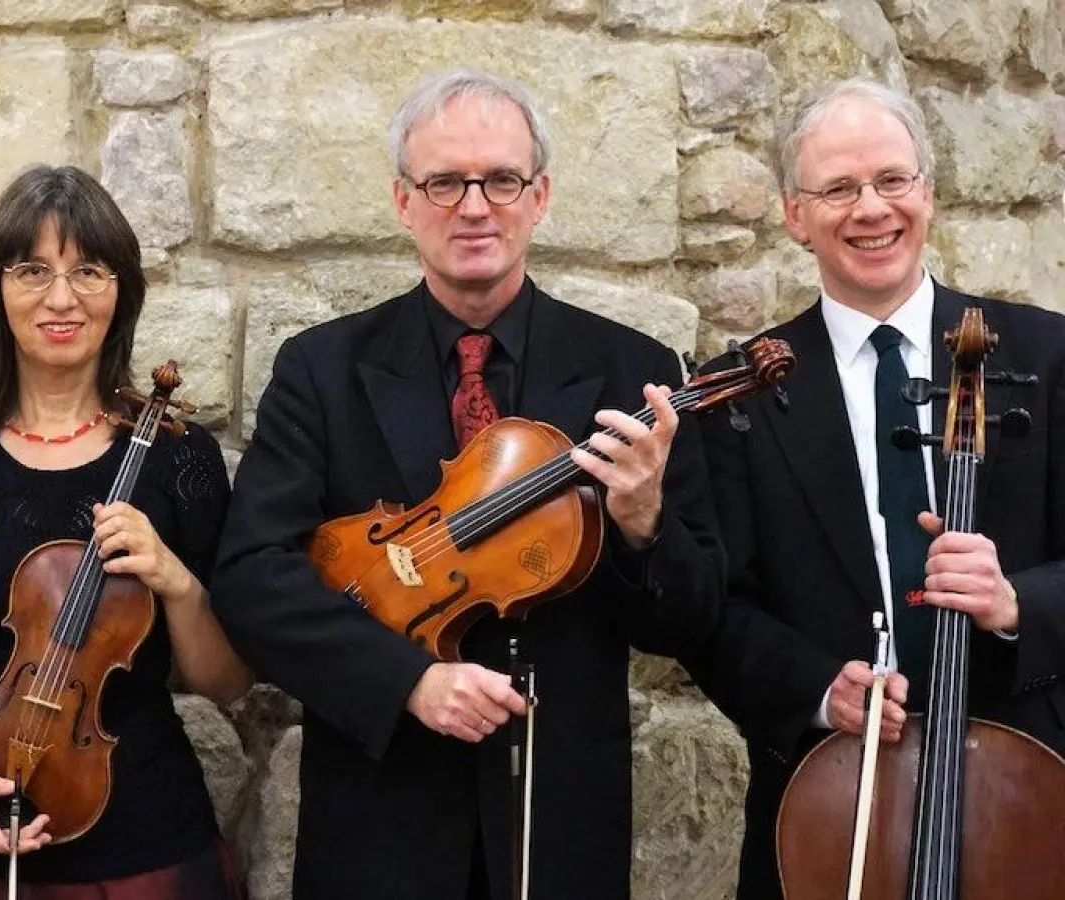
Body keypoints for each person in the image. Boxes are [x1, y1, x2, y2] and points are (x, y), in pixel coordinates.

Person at [208, 68, 726, 900]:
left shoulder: (633, 373)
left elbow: (692, 619)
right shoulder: (322, 369)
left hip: (558, 822)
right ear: (404, 201)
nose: (475, 206)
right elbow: (252, 578)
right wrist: (406, 680)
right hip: (381, 823)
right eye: (445, 182)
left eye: (501, 179)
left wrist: (641, 522)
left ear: (540, 195)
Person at [678, 77, 1065, 898]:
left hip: (1029, 799)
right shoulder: (742, 389)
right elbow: (715, 614)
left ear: (926, 191)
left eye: (892, 180)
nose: (871, 209)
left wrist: (1015, 603)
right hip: (829, 813)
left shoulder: (1047, 356)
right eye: (838, 188)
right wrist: (817, 689)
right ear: (793, 214)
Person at [0, 165, 252, 900]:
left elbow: (224, 681)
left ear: (120, 292)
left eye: (88, 271)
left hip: (142, 847)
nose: (60, 298)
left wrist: (178, 583)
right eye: (32, 270)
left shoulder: (179, 458)